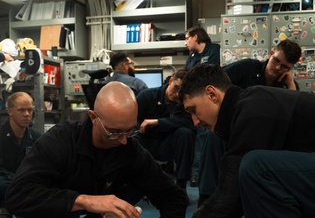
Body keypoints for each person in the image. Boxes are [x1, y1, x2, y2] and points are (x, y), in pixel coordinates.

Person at [179, 64, 315, 218]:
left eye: (193, 110)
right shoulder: (249, 104)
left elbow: (231, 197)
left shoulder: (254, 110)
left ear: (212, 94)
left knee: (257, 167)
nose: (195, 122)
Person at [5, 82, 188, 218]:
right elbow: (17, 196)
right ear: (93, 117)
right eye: (114, 132)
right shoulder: (59, 141)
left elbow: (173, 196)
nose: (123, 140)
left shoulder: (131, 150)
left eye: (129, 130)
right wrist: (85, 201)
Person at [135, 69, 195, 193]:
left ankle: (181, 185)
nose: (178, 94)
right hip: (145, 143)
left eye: (182, 91)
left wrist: (158, 122)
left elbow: (189, 122)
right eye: (176, 87)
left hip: (167, 143)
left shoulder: (183, 103)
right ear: (171, 81)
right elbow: (130, 119)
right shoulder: (147, 96)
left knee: (186, 134)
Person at [184, 26, 223, 196]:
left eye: (188, 38)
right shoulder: (192, 57)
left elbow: (213, 74)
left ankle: (200, 174)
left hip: (211, 99)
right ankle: (196, 173)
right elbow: (187, 76)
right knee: (197, 134)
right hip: (196, 98)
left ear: (196, 37)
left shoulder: (215, 50)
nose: (186, 42)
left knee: (207, 135)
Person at [0, 92, 41, 205]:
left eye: (30, 110)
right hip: (6, 186)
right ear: (10, 112)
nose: (27, 114)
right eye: (21, 110)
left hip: (28, 185)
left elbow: (41, 166)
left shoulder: (37, 138)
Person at [224, 38, 301, 90]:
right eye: (276, 60)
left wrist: (291, 85)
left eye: (284, 66)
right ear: (271, 54)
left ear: (290, 68)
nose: (277, 67)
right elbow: (216, 77)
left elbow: (296, 112)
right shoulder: (248, 67)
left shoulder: (289, 85)